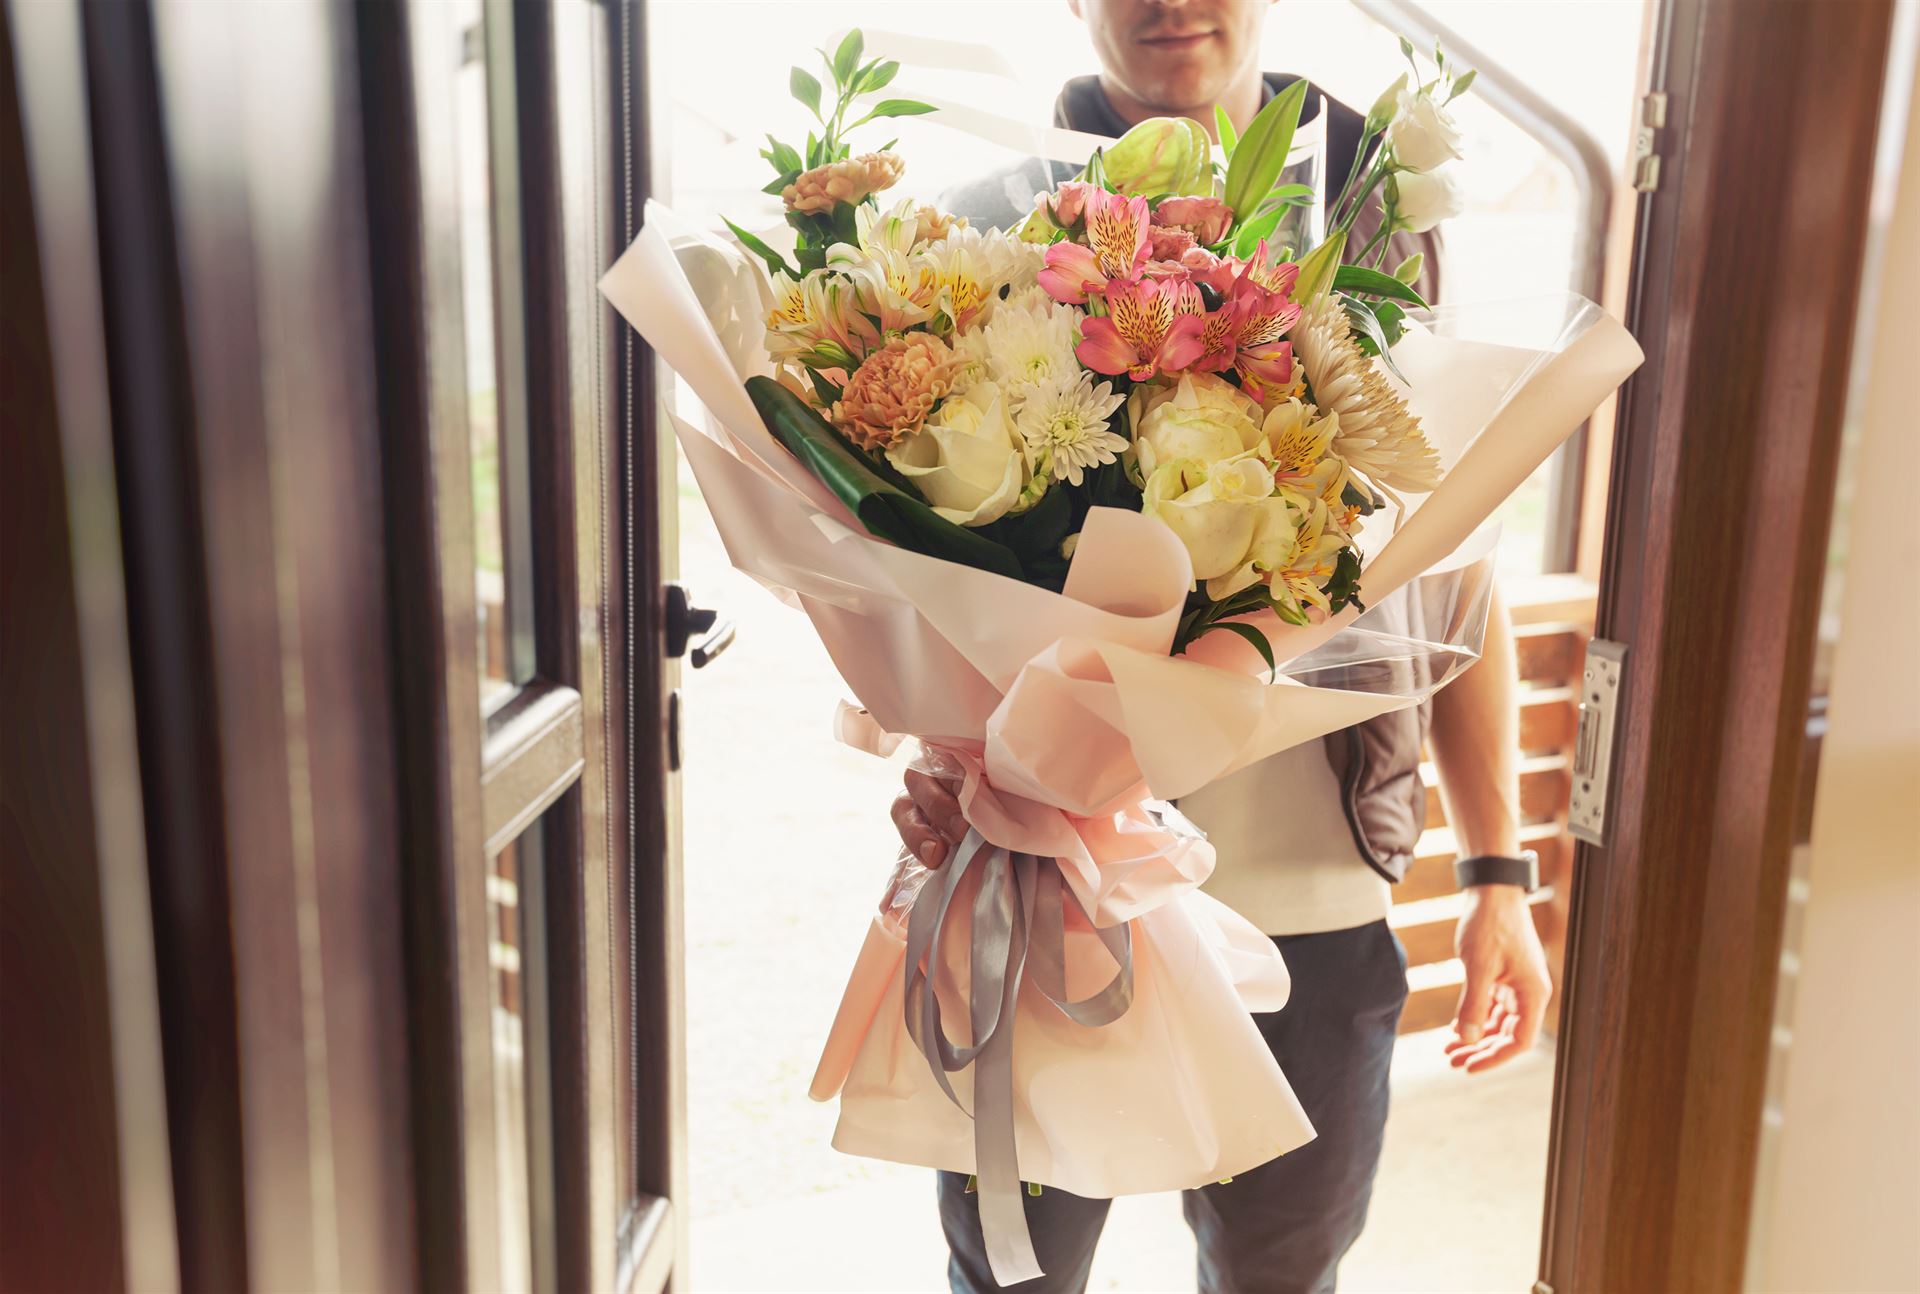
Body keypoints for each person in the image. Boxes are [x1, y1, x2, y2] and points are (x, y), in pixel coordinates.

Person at [893, 3, 1554, 1291]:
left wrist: (1497, 871)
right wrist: (941, 757)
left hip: (1321, 903)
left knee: (1282, 1277)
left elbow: (1457, 568)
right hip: (1056, 890)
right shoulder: (989, 229)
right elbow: (924, 587)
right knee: (1014, 1277)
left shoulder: (1386, 220)